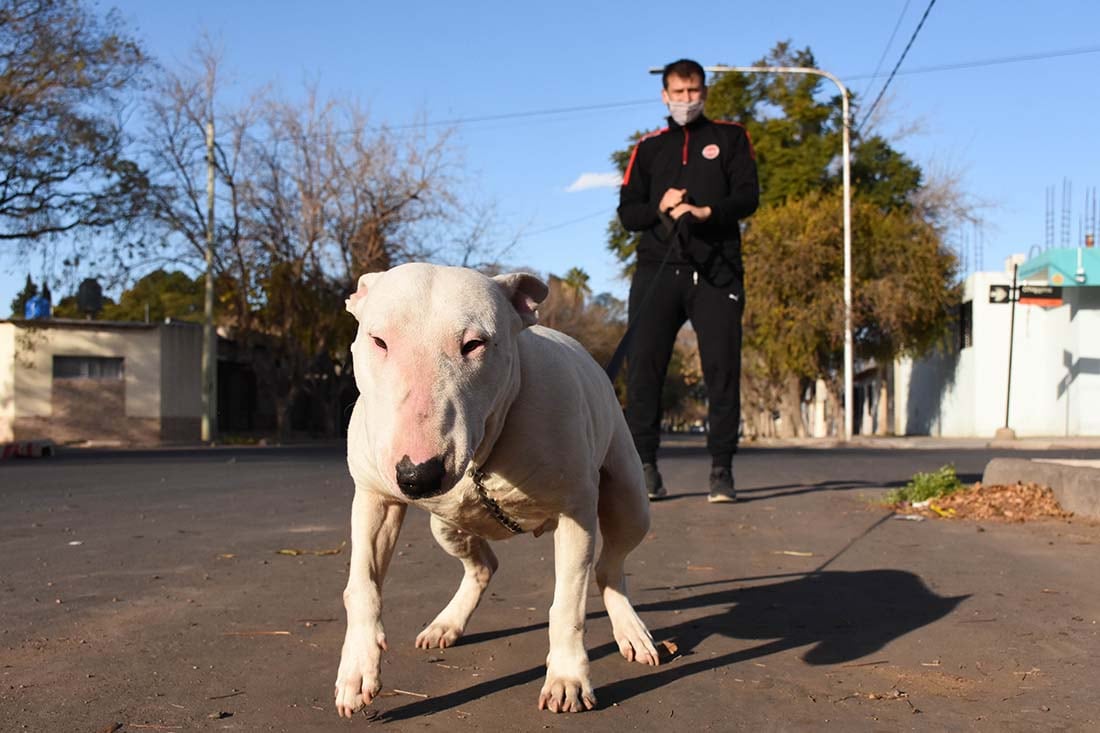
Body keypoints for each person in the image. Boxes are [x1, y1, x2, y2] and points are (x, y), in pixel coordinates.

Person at [617, 58, 759, 503]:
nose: (686, 100)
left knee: (721, 369)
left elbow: (748, 197)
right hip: (657, 271)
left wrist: (706, 212)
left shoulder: (731, 137)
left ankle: (722, 469)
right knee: (644, 371)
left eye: (693, 91)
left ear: (705, 92)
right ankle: (645, 468)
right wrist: (661, 205)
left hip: (718, 271)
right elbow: (628, 214)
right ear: (664, 95)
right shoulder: (649, 147)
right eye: (678, 93)